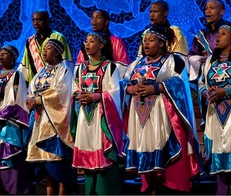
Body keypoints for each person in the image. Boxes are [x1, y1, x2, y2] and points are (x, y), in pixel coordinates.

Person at [123, 26, 201, 194]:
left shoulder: (174, 61)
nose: (146, 43)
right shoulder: (136, 64)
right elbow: (124, 83)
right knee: (147, 163)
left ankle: (168, 185)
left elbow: (180, 84)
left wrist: (157, 87)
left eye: (151, 40)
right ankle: (151, 186)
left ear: (162, 43)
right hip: (141, 117)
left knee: (166, 160)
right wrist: (130, 90)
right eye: (144, 40)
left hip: (163, 117)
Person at [71, 32, 124, 195]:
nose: (87, 44)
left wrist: (96, 96)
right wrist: (78, 95)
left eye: (92, 41)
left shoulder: (109, 67)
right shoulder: (80, 68)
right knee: (88, 153)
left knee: (102, 155)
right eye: (86, 41)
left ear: (101, 45)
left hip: (102, 118)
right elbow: (75, 88)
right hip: (85, 118)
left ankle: (105, 189)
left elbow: (115, 92)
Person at [25, 39, 75, 195]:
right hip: (40, 121)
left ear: (58, 52)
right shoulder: (41, 72)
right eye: (44, 49)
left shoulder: (63, 70)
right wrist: (30, 100)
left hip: (55, 122)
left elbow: (62, 92)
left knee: (57, 163)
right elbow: (32, 90)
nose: (44, 51)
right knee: (45, 166)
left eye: (49, 48)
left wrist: (40, 99)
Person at [0, 45, 31, 194]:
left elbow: (14, 100)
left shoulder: (16, 75)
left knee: (10, 166)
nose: (1, 56)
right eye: (0, 53)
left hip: (8, 125)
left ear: (13, 57)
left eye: (5, 54)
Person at [198, 24, 231, 195]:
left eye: (224, 34)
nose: (218, 36)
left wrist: (225, 91)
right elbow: (202, 83)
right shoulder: (210, 61)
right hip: (215, 115)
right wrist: (205, 93)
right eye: (217, 33)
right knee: (220, 168)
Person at [18, 9, 73, 85]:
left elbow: (66, 63)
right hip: (35, 86)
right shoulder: (30, 41)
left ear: (47, 21)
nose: (35, 23)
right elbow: (25, 64)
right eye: (33, 20)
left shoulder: (58, 37)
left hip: (54, 84)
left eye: (39, 20)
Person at [189, 0, 231, 92]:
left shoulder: (229, 30)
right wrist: (201, 60)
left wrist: (214, 58)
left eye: (211, 8)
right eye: (206, 8)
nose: (207, 11)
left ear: (221, 12)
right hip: (207, 77)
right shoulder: (200, 35)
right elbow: (191, 55)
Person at [75, 9, 130, 78]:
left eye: (98, 17)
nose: (94, 20)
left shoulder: (116, 41)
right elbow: (79, 64)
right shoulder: (86, 43)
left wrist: (105, 78)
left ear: (106, 22)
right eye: (92, 18)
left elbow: (122, 65)